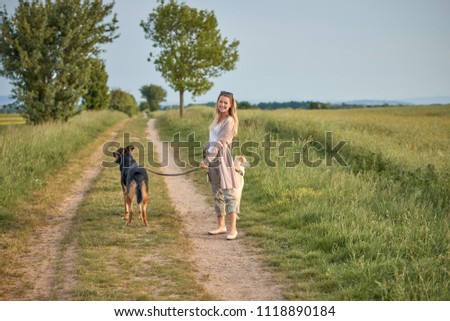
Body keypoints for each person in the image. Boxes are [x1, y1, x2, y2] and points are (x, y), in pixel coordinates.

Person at [200, 91, 240, 240]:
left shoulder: (229, 121)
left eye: (225, 103)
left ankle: (233, 229)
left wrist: (207, 161)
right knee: (216, 193)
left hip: (222, 160)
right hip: (212, 159)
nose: (222, 104)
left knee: (229, 194)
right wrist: (206, 151)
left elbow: (219, 143)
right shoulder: (217, 118)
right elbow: (212, 140)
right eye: (220, 101)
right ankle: (221, 226)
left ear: (230, 106)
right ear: (217, 102)